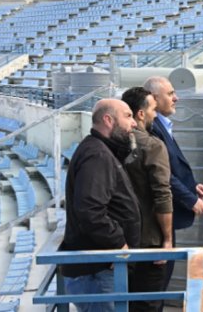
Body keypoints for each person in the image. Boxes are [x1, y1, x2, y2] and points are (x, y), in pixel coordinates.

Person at [60, 99, 140, 312]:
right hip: (97, 271)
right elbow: (90, 209)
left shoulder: (101, 150)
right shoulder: (97, 154)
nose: (134, 123)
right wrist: (118, 243)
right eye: (128, 116)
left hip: (100, 268)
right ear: (108, 119)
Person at [143, 76, 203, 301]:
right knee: (156, 286)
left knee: (162, 281)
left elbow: (171, 164)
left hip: (165, 214)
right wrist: (190, 199)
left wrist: (192, 186)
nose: (176, 98)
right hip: (157, 217)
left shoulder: (163, 125)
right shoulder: (152, 128)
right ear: (153, 98)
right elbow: (162, 175)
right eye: (170, 94)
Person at [121, 87, 173, 312]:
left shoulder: (111, 143)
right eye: (152, 109)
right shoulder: (152, 145)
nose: (155, 114)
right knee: (148, 303)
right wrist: (168, 239)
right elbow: (162, 193)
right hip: (148, 240)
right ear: (140, 114)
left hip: (119, 240)